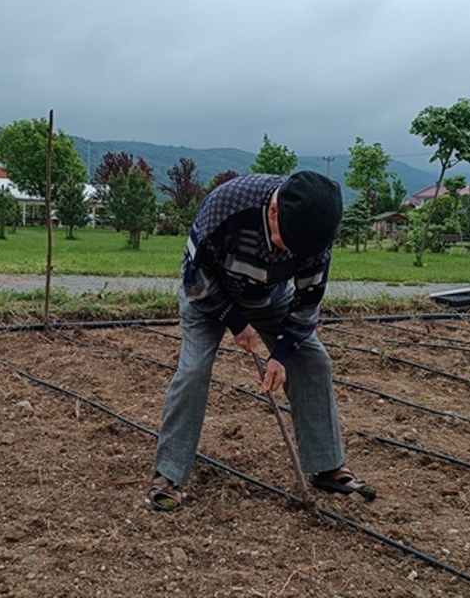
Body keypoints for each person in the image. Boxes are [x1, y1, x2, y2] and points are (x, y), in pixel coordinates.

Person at [148, 171, 376, 511]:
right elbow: (194, 277)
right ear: (273, 212)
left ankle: (327, 467)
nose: (292, 252)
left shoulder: (314, 234)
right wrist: (236, 322)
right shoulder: (226, 205)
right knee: (193, 371)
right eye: (287, 242)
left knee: (314, 361)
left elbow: (308, 302)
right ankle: (168, 475)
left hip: (270, 298)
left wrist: (281, 355)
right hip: (208, 297)